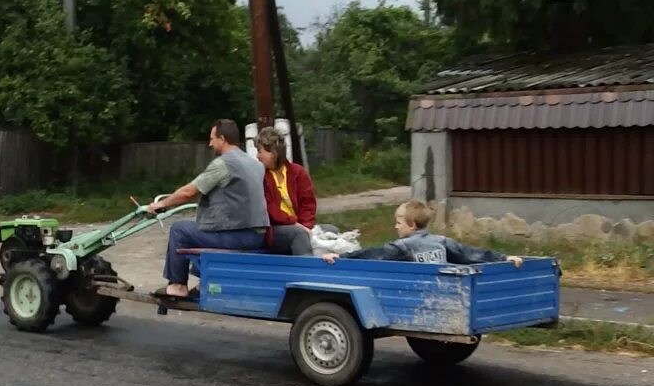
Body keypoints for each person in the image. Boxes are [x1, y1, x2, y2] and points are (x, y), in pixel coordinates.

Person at [146, 119, 269, 298]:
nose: (210, 143)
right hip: (257, 235)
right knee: (203, 229)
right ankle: (206, 282)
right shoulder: (255, 165)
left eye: (212, 139)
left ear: (222, 138)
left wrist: (160, 204)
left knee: (180, 230)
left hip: (238, 236)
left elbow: (189, 191)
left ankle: (177, 286)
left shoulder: (224, 164)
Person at [322, 200, 524, 267]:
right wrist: (505, 258)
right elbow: (472, 254)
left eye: (398, 222)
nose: (395, 227)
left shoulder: (403, 246)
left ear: (411, 225)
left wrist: (341, 257)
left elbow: (373, 254)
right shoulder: (441, 241)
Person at [255, 126, 318, 255]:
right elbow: (269, 209)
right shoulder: (260, 177)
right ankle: (308, 273)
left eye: (260, 151)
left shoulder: (298, 172)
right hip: (275, 229)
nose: (257, 156)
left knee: (331, 230)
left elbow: (308, 204)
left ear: (273, 153)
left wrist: (306, 226)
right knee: (299, 235)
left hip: (300, 225)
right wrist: (296, 225)